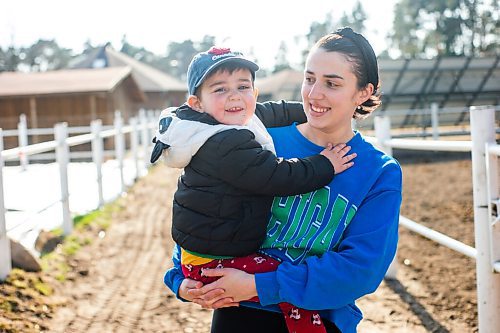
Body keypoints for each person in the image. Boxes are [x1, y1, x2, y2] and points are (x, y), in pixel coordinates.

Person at [165, 28, 403, 333]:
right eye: (309, 78)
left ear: (363, 93)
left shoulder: (378, 171)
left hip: (321, 320)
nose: (314, 93)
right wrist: (180, 278)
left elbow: (360, 271)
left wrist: (259, 285)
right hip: (239, 317)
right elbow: (203, 211)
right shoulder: (256, 140)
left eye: (332, 83)